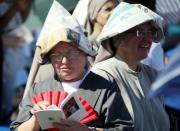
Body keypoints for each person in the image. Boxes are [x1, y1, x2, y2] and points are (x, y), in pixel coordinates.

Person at [10, 1, 132, 131]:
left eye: (72, 53)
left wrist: (87, 130)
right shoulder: (37, 90)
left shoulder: (105, 89)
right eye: (56, 55)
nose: (64, 61)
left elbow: (125, 128)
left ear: (85, 54)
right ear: (49, 59)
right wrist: (35, 119)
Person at [91, 2, 170, 131]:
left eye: (150, 32)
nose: (148, 39)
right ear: (120, 37)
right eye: (140, 32)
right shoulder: (103, 75)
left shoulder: (152, 75)